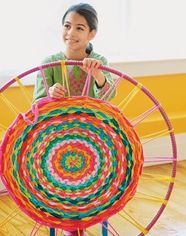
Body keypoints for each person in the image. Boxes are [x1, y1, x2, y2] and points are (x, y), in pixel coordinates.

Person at [33, 3, 115, 236]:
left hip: (93, 135)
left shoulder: (99, 60)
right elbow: (36, 105)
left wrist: (97, 74)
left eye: (79, 28)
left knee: (92, 178)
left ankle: (84, 218)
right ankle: (70, 223)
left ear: (92, 33)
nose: (71, 33)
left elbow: (109, 98)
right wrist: (50, 96)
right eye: (67, 26)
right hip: (57, 135)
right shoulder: (49, 62)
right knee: (60, 177)